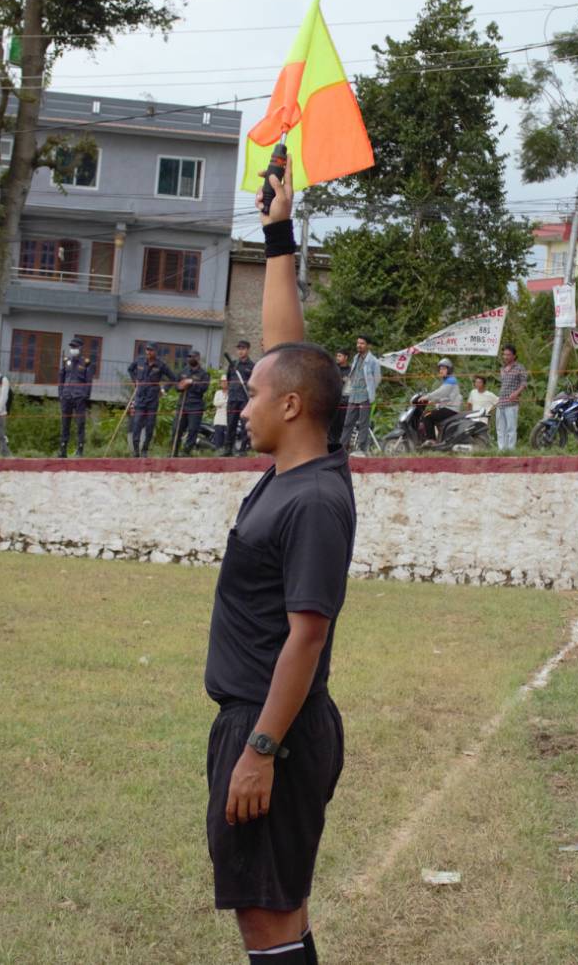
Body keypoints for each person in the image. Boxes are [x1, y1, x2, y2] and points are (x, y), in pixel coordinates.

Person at [206, 158, 354, 965]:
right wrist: (277, 235)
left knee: (267, 920)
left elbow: (306, 636)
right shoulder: (299, 472)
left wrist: (260, 749)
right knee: (274, 914)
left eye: (254, 394)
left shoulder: (315, 502)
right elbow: (286, 347)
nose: (244, 401)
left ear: (292, 406)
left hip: (278, 733)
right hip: (261, 724)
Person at [125, 346, 176, 458]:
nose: (148, 352)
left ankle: (145, 450)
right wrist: (135, 382)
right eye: (147, 350)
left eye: (151, 350)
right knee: (137, 423)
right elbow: (130, 369)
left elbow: (173, 378)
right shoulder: (140, 360)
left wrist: (164, 390)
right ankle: (136, 450)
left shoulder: (160, 365)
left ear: (155, 351)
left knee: (150, 426)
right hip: (140, 397)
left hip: (152, 399)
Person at [58, 341, 95, 458]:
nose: (73, 349)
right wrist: (60, 394)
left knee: (80, 423)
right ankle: (63, 449)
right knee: (65, 423)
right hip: (67, 396)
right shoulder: (66, 361)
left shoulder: (86, 363)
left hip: (79, 396)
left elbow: (88, 381)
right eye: (71, 347)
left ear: (80, 348)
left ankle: (80, 449)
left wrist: (86, 395)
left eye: (75, 347)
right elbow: (61, 379)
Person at [173, 351, 212, 456]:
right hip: (183, 404)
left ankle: (186, 451)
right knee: (177, 428)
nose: (190, 358)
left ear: (198, 358)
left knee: (193, 430)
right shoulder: (184, 371)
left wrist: (191, 382)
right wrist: (180, 386)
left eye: (192, 356)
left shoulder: (204, 374)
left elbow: (203, 388)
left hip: (195, 406)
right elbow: (176, 385)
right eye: (188, 356)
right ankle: (174, 451)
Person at [416, 358, 463, 444]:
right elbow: (444, 396)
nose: (441, 371)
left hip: (450, 409)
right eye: (440, 369)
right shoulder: (447, 381)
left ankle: (431, 440)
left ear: (449, 370)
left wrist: (426, 397)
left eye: (444, 369)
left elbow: (440, 392)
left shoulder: (451, 380)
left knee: (427, 417)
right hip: (448, 407)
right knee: (428, 414)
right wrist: (433, 401)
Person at [224, 341, 256, 456]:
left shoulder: (252, 366)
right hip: (233, 399)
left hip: (244, 400)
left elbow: (254, 384)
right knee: (230, 424)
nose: (240, 351)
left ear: (248, 350)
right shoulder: (232, 364)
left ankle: (243, 449)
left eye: (243, 348)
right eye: (239, 349)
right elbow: (228, 380)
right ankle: (228, 449)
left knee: (245, 426)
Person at [496, 344, 527, 451]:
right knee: (500, 429)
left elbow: (524, 384)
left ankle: (510, 450)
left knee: (511, 428)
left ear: (514, 356)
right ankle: (501, 450)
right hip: (501, 402)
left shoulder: (520, 367)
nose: (506, 357)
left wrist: (516, 393)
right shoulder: (502, 369)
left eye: (508, 355)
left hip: (512, 403)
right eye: (504, 355)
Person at [212, 385, 230, 452]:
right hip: (218, 419)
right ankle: (218, 452)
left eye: (225, 381)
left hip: (227, 419)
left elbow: (230, 404)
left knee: (227, 439)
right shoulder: (218, 392)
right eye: (222, 381)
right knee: (218, 439)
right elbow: (215, 403)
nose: (224, 383)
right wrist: (225, 401)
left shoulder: (231, 392)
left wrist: (221, 402)